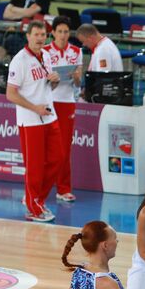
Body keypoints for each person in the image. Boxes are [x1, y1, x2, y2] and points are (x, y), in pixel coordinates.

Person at [6, 20, 62, 222]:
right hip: (30, 120)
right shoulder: (19, 61)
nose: (40, 38)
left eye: (43, 35)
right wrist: (34, 108)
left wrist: (54, 82)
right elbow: (10, 94)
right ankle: (33, 208)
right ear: (28, 36)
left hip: (49, 115)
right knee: (35, 166)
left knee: (57, 159)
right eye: (36, 35)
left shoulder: (46, 56)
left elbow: (46, 88)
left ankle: (36, 198)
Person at [44, 16, 83, 203]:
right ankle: (37, 190)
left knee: (64, 149)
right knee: (44, 148)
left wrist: (75, 77)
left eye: (66, 32)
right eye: (59, 31)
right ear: (53, 33)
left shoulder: (76, 51)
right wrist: (50, 79)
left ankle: (64, 189)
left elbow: (78, 82)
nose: (62, 35)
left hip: (67, 102)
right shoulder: (44, 51)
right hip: (48, 102)